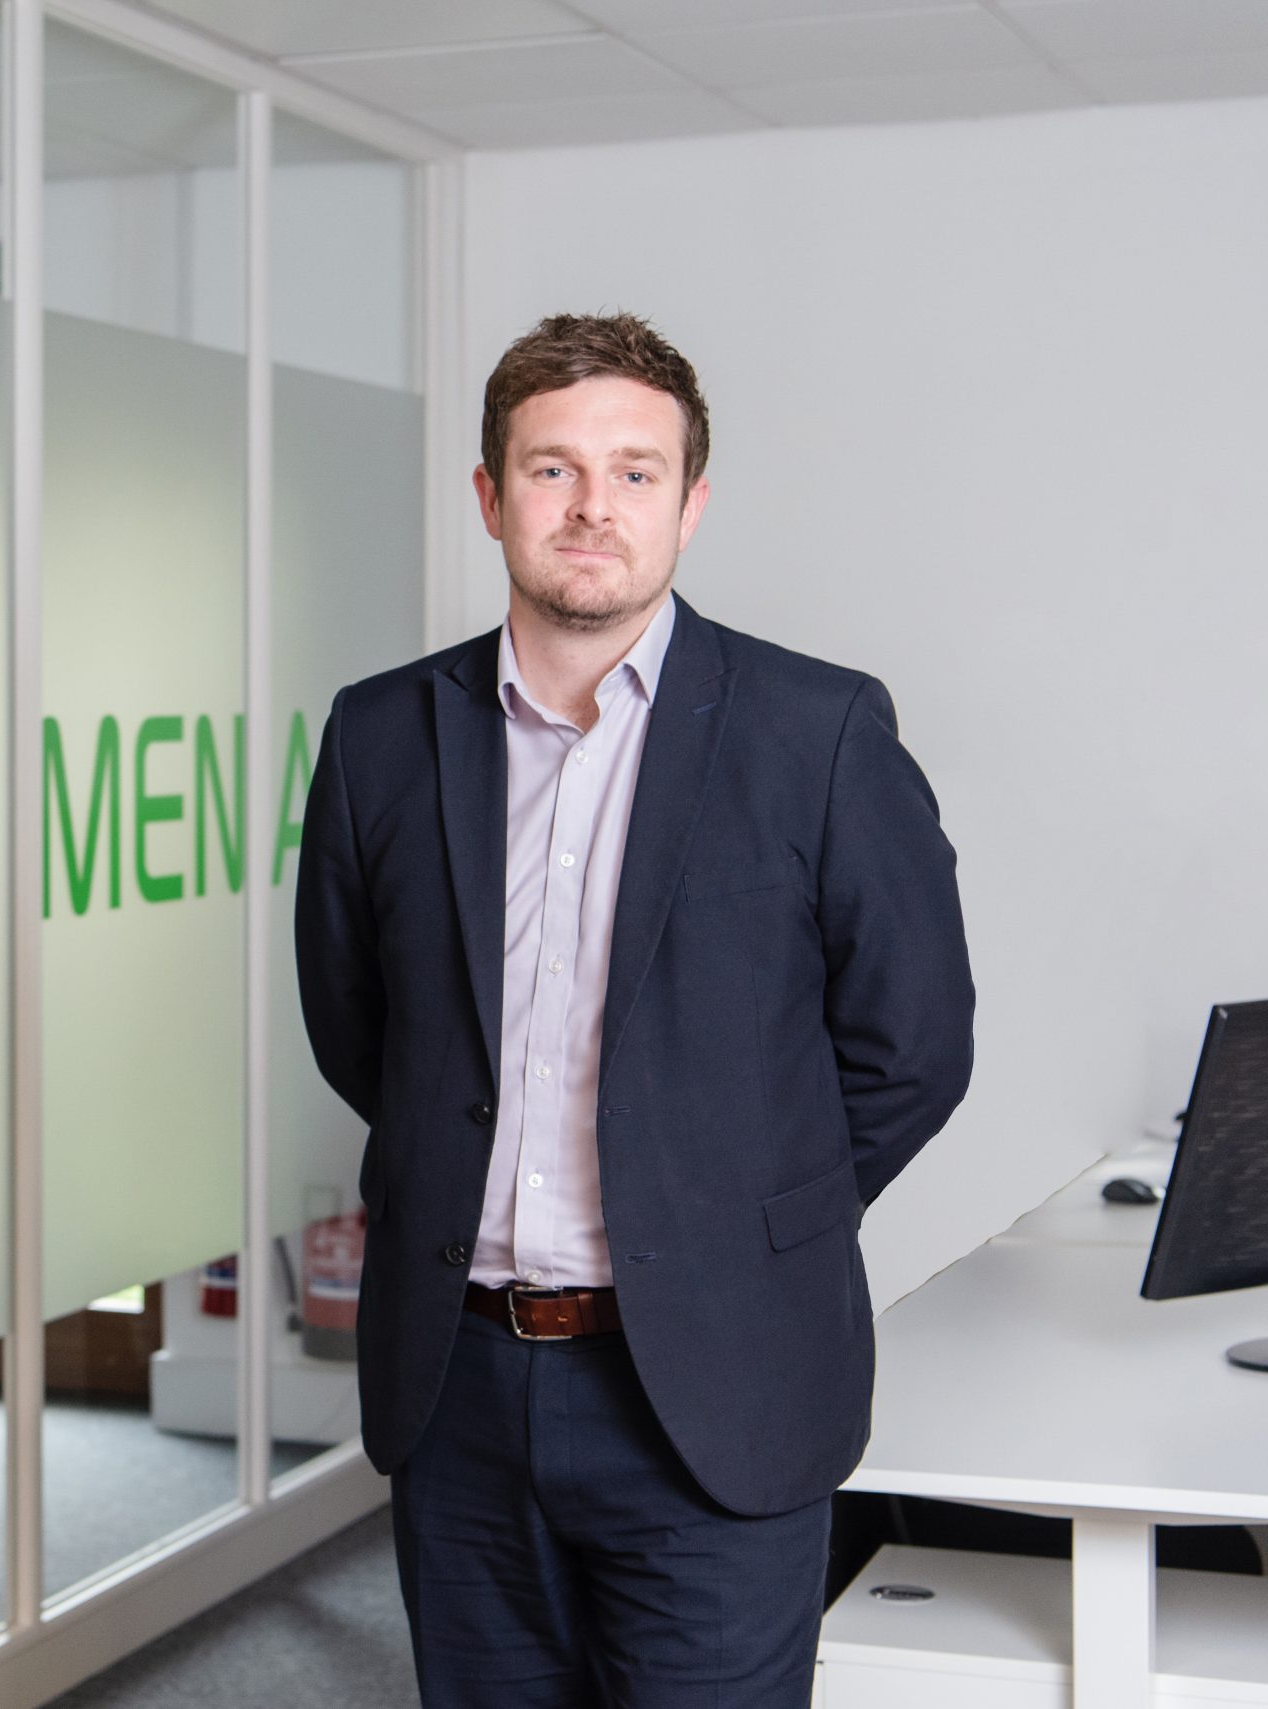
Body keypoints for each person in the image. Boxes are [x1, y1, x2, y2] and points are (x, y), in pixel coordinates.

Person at [293, 311, 975, 1707]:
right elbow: (364, 1030)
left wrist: (741, 1223)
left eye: (635, 472)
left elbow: (914, 1046)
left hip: (715, 1388)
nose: (593, 506)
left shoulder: (818, 732)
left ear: (691, 503)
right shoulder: (380, 735)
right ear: (491, 497)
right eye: (552, 469)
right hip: (460, 1388)